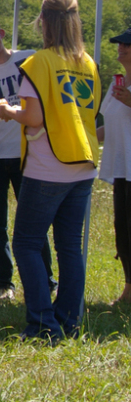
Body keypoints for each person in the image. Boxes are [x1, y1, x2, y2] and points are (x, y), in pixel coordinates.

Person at [0, 0, 99, 342]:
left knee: (26, 243)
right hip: (83, 163)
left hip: (48, 165)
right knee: (70, 246)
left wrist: (8, 112)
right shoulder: (89, 63)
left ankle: (43, 325)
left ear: (43, 21)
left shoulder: (39, 62)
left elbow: (34, 119)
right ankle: (69, 321)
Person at [0, 16, 53, 301]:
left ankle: (46, 279)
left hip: (27, 152)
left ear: (1, 32)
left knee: (32, 221)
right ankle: (3, 283)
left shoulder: (27, 60)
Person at [99, 26, 131, 305]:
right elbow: (106, 126)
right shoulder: (116, 83)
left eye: (128, 44)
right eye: (120, 43)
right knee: (123, 229)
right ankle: (129, 287)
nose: (121, 47)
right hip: (122, 168)